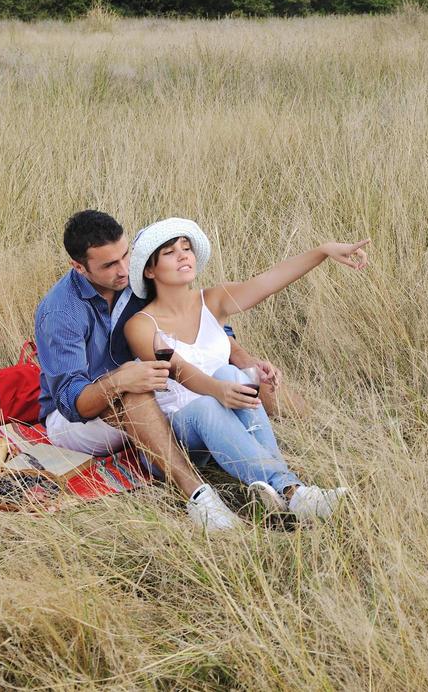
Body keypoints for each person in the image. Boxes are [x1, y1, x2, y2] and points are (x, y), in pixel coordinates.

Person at [119, 217, 369, 523]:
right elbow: (179, 371)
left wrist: (323, 251)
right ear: (150, 269)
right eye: (170, 252)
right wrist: (219, 391)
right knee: (211, 399)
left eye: (187, 248)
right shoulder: (141, 325)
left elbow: (267, 282)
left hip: (227, 415)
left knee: (233, 375)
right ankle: (292, 489)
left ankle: (284, 492)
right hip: (180, 431)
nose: (184, 255)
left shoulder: (212, 300)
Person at [35, 210, 243, 531]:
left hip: (139, 382)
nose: (123, 270)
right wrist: (119, 380)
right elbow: (74, 405)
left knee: (224, 374)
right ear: (79, 267)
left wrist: (239, 353)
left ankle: (275, 476)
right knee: (136, 393)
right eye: (108, 265)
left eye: (125, 255)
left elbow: (189, 310)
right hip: (73, 420)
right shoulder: (60, 312)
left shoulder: (135, 275)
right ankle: (200, 498)